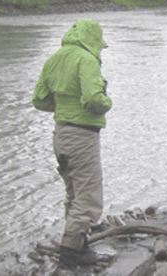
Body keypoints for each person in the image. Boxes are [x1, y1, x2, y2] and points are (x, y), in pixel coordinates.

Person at [32, 20, 113, 269]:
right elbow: (92, 97)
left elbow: (39, 99)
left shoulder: (54, 58)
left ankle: (82, 249)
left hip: (61, 134)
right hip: (82, 135)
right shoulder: (86, 59)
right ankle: (67, 262)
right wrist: (106, 104)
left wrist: (65, 109)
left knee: (74, 194)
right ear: (92, 39)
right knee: (88, 198)